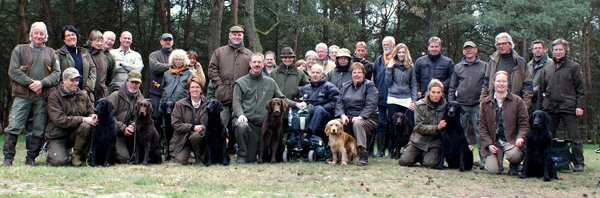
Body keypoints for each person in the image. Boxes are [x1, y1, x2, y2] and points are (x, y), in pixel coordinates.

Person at [3, 22, 61, 166]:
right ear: (31, 34)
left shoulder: (51, 52)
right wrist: (31, 83)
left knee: (39, 127)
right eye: (36, 33)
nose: (39, 36)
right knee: (14, 125)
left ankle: (31, 159)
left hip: (42, 96)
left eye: (42, 34)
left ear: (46, 36)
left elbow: (57, 74)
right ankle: (8, 159)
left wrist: (42, 84)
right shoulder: (19, 49)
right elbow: (13, 71)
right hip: (22, 95)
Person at [232, 53, 304, 163]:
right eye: (254, 62)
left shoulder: (270, 82)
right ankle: (241, 152)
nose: (257, 64)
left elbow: (282, 98)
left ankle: (253, 150)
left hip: (262, 125)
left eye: (259, 62)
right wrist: (240, 114)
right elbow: (236, 101)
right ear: (250, 63)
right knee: (242, 127)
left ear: (263, 64)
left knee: (256, 157)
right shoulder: (240, 82)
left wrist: (297, 104)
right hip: (247, 122)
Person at [538, 38, 586, 172]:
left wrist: (580, 106)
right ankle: (545, 161)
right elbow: (541, 91)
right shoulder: (547, 69)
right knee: (547, 136)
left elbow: (581, 89)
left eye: (560, 49)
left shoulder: (574, 67)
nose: (558, 52)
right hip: (550, 108)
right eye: (555, 50)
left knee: (574, 136)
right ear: (552, 51)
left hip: (568, 107)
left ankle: (578, 162)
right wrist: (540, 110)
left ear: (565, 51)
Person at [208, 25, 253, 152]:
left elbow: (253, 72)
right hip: (222, 96)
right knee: (220, 122)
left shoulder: (249, 54)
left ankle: (241, 149)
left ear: (242, 36)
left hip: (242, 97)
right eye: (234, 34)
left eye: (239, 35)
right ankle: (217, 150)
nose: (237, 37)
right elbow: (212, 70)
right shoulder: (219, 52)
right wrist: (219, 84)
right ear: (229, 35)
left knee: (241, 123)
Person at [479, 71, 529, 175]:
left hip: (511, 141)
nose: (501, 84)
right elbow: (482, 127)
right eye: (498, 81)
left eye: (504, 81)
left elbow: (524, 123)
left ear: (508, 83)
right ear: (493, 83)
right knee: (492, 170)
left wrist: (520, 137)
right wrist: (488, 144)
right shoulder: (485, 103)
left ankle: (515, 165)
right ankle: (498, 163)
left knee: (515, 155)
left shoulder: (517, 101)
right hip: (494, 143)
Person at [45, 68, 97, 166]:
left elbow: (90, 111)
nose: (75, 83)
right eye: (72, 80)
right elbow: (60, 120)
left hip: (75, 133)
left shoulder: (83, 95)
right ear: (64, 80)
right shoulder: (54, 97)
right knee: (60, 162)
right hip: (57, 135)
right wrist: (83, 119)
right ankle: (54, 155)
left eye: (77, 80)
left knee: (86, 126)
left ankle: (78, 157)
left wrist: (92, 116)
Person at [448, 41, 487, 167]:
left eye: (471, 49)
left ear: (476, 50)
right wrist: (452, 103)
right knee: (460, 133)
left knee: (480, 132)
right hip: (461, 105)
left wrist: (484, 102)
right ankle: (460, 158)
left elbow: (488, 85)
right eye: (466, 49)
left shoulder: (484, 66)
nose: (468, 51)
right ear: (463, 51)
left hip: (478, 105)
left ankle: (484, 160)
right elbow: (452, 87)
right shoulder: (458, 67)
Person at [334, 62, 379, 166]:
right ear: (351, 74)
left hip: (369, 117)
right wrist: (342, 115)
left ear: (363, 74)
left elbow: (371, 104)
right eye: (354, 72)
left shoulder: (370, 86)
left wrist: (361, 116)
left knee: (358, 124)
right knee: (335, 123)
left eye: (359, 72)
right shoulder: (345, 86)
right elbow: (339, 103)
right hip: (348, 116)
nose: (357, 75)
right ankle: (333, 152)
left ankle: (363, 153)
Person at [398, 79, 446, 168]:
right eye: (433, 92)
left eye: (438, 93)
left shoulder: (446, 107)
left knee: (430, 164)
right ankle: (414, 154)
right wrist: (437, 128)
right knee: (404, 161)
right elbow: (419, 127)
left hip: (435, 142)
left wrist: (467, 143)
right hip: (418, 140)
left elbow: (456, 126)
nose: (436, 95)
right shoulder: (419, 105)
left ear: (442, 93)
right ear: (428, 92)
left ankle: (427, 157)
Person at [160, 49, 197, 160]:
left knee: (180, 128)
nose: (178, 61)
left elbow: (192, 89)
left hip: (182, 106)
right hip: (167, 105)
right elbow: (163, 88)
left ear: (184, 60)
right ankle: (167, 152)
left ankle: (183, 150)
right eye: (176, 59)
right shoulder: (167, 73)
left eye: (180, 59)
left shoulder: (189, 73)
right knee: (167, 130)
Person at [480, 32, 533, 108]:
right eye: (499, 44)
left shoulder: (520, 62)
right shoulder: (492, 61)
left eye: (504, 43)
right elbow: (486, 82)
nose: (501, 46)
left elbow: (527, 84)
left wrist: (526, 102)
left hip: (515, 102)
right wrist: (483, 99)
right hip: (495, 101)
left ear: (510, 45)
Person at [385, 43, 418, 158]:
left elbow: (414, 84)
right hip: (393, 97)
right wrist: (388, 68)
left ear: (406, 53)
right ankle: (391, 150)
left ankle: (408, 149)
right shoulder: (391, 65)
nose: (401, 54)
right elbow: (387, 82)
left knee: (409, 124)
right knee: (393, 125)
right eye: (399, 52)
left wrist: (414, 101)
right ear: (396, 53)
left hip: (406, 98)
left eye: (403, 52)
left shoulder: (411, 67)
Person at [106, 70, 145, 163]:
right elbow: (108, 117)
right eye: (132, 82)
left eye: (137, 83)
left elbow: (140, 118)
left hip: (131, 133)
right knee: (123, 158)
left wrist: (132, 125)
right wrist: (123, 128)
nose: (134, 85)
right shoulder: (116, 95)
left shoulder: (141, 99)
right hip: (115, 132)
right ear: (127, 82)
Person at [170, 76, 209, 165]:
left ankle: (199, 156)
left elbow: (217, 122)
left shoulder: (208, 104)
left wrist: (224, 136)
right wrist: (192, 127)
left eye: (197, 87)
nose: (195, 90)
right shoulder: (179, 104)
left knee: (196, 136)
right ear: (188, 89)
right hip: (183, 138)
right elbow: (176, 124)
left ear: (201, 89)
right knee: (180, 161)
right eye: (192, 87)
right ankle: (187, 152)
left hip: (200, 138)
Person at [298, 64, 340, 142]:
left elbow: (336, 102)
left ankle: (309, 135)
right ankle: (295, 138)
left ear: (322, 74)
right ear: (310, 74)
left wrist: (322, 107)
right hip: (309, 116)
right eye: (313, 72)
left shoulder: (330, 87)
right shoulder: (305, 88)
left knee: (319, 109)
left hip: (326, 116)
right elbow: (300, 102)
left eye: (317, 73)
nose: (315, 75)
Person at [56, 25, 96, 101]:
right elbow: (57, 74)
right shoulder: (59, 54)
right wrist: (66, 90)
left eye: (73, 34)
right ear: (64, 39)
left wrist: (87, 89)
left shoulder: (85, 53)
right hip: (66, 97)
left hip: (85, 95)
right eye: (68, 35)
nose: (71, 37)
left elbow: (93, 70)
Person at [149, 33, 174, 154]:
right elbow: (155, 68)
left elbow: (183, 66)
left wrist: (164, 66)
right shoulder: (154, 55)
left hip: (172, 95)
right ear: (161, 42)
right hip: (156, 93)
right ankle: (156, 148)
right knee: (156, 121)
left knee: (172, 123)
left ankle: (171, 148)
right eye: (165, 40)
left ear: (172, 42)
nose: (167, 42)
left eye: (169, 40)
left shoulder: (177, 54)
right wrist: (172, 66)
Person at [372, 36, 395, 157]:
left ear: (394, 46)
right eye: (384, 45)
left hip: (394, 97)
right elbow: (373, 77)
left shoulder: (398, 59)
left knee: (393, 124)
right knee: (380, 123)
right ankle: (380, 150)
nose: (386, 47)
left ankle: (391, 151)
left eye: (388, 45)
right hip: (380, 97)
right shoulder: (379, 60)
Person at [527, 40, 553, 111]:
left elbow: (548, 83)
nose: (537, 50)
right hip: (530, 101)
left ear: (544, 49)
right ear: (532, 50)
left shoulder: (550, 64)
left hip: (543, 101)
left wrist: (530, 92)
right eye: (535, 48)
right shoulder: (529, 65)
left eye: (539, 48)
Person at [85, 30, 109, 100]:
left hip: (102, 91)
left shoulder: (103, 56)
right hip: (89, 91)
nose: (99, 43)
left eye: (101, 41)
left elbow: (107, 75)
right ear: (91, 41)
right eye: (97, 41)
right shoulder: (85, 54)